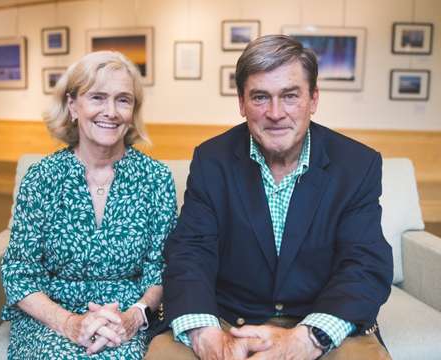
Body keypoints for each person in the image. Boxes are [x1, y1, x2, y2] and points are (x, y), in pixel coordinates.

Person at [144, 35, 394, 360]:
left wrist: (308, 339)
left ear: (313, 99)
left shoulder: (357, 165)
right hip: (228, 317)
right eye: (260, 97)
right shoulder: (211, 160)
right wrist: (207, 337)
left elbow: (364, 264)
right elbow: (191, 254)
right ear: (241, 102)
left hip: (320, 317)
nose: (276, 113)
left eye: (290, 96)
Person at [0, 51, 178, 359]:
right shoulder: (41, 178)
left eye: (123, 100)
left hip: (126, 318)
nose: (111, 111)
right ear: (72, 105)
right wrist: (70, 324)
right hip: (53, 318)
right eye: (97, 97)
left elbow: (162, 267)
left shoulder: (156, 179)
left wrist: (134, 317)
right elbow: (19, 272)